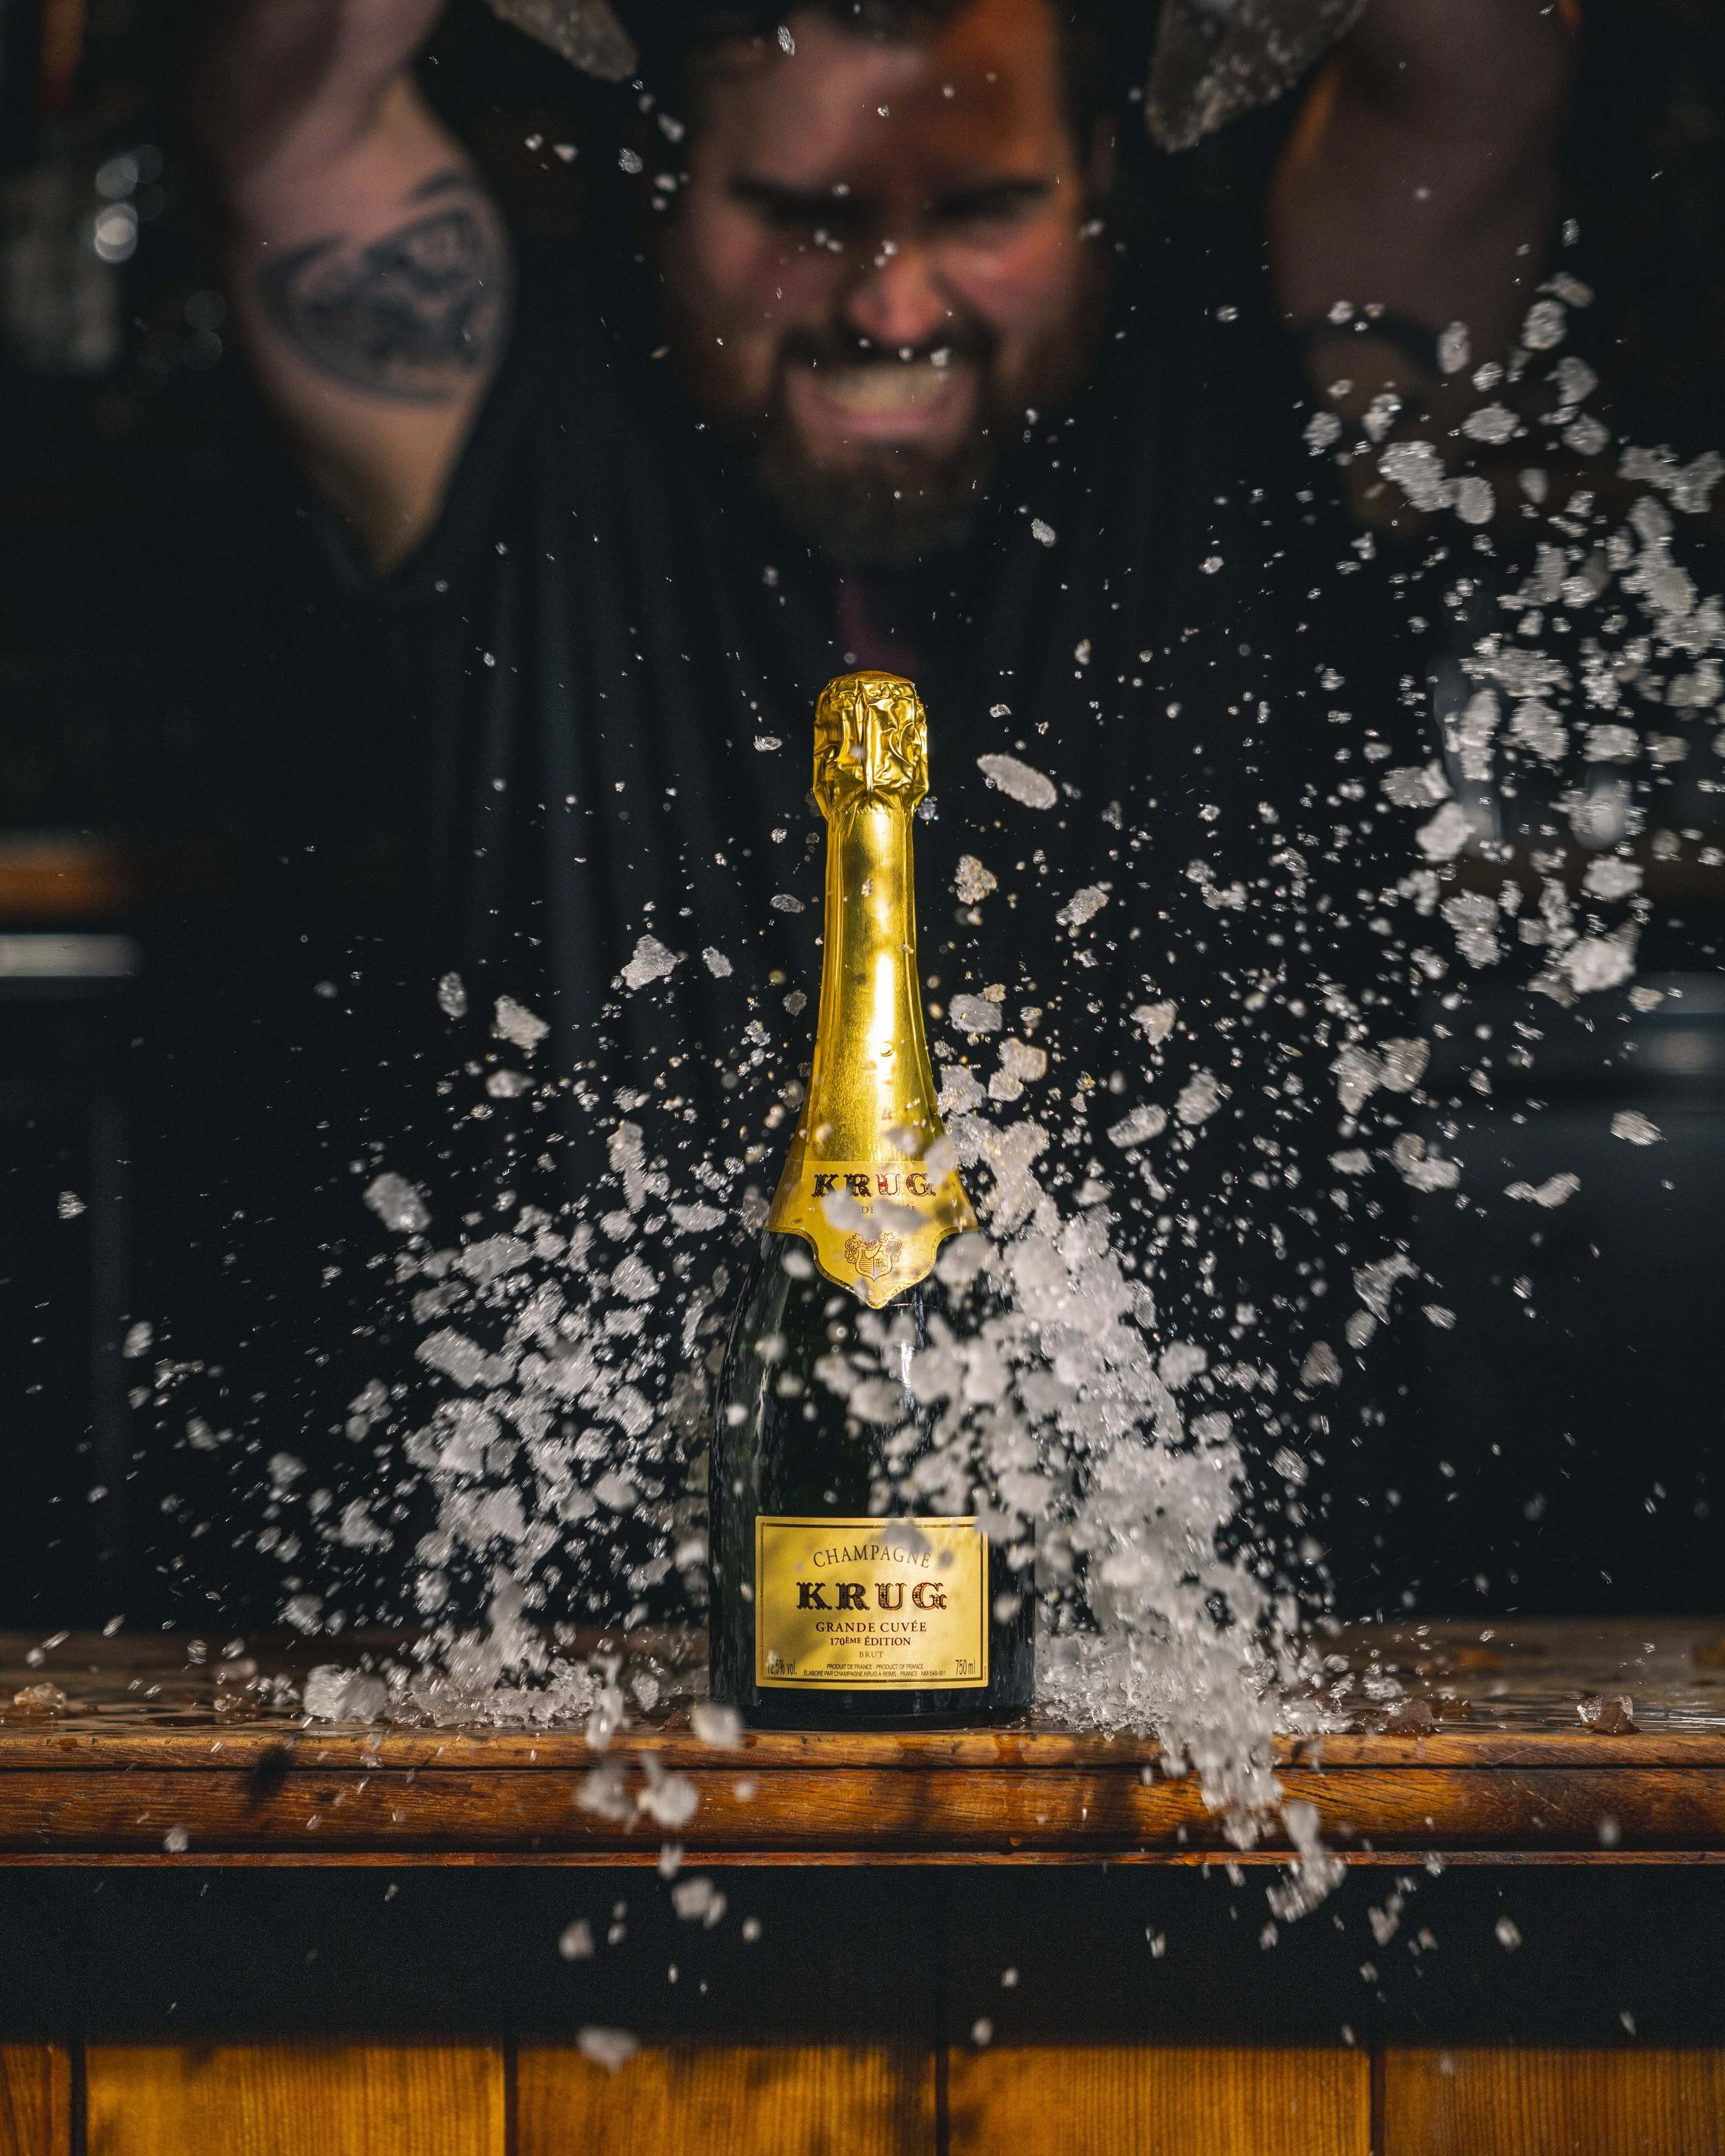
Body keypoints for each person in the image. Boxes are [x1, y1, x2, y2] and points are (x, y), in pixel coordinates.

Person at [163, 0, 1575, 1625]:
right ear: (657, 176)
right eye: (801, 214)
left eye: (980, 209)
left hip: (1220, 1726)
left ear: (1102, 170)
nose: (891, 299)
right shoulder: (513, 410)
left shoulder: (1268, 396)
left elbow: (1488, 68)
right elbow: (279, 104)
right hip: (578, 1708)